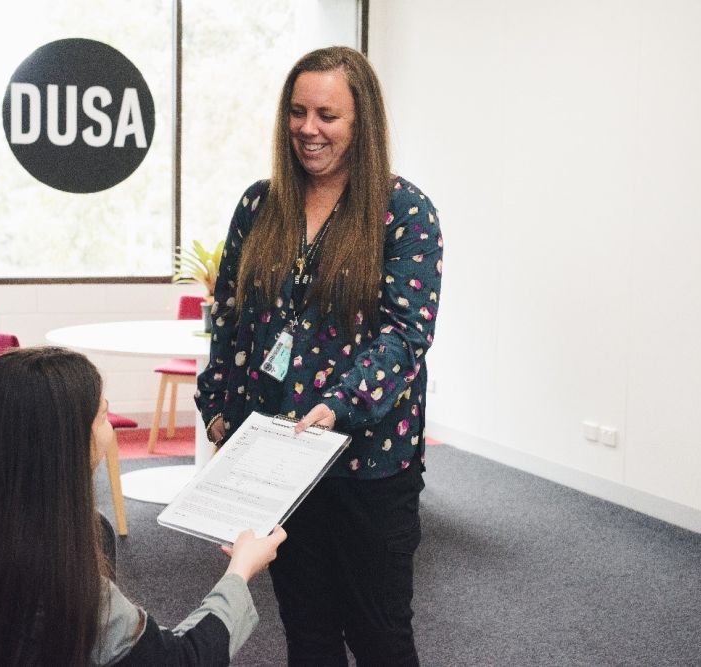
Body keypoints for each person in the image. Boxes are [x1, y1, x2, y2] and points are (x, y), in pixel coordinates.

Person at [196, 46, 442, 667]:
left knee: (381, 638)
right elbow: (230, 316)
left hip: (369, 465)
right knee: (307, 636)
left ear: (362, 123)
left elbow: (406, 334)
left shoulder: (404, 211)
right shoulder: (260, 205)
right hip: (277, 461)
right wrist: (218, 409)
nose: (309, 128)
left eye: (328, 116)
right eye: (298, 112)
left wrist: (340, 405)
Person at [0, 346, 286, 666]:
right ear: (67, 442)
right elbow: (185, 660)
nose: (110, 430)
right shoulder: (66, 593)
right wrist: (240, 571)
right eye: (103, 416)